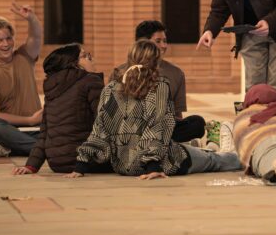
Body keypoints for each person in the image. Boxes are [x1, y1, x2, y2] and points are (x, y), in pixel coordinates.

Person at [69, 40, 242, 179]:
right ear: (155, 63)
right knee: (214, 161)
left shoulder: (111, 89)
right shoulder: (159, 87)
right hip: (166, 162)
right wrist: (153, 166)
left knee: (202, 151)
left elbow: (100, 129)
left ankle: (214, 145)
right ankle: (241, 156)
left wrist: (81, 165)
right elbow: (158, 126)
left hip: (124, 166)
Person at [13, 44, 104, 175]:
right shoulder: (91, 81)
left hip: (58, 163)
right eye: (85, 56)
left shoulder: (52, 88)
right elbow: (103, 123)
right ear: (74, 64)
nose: (91, 59)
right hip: (87, 161)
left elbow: (44, 132)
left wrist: (31, 166)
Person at [117, 21, 205, 144]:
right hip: (130, 132)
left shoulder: (176, 73)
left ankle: (173, 144)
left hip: (163, 130)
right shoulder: (120, 73)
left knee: (197, 123)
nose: (164, 46)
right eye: (158, 41)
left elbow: (177, 115)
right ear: (143, 43)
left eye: (165, 41)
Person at [0, 4, 44, 157]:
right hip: (11, 131)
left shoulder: (24, 56)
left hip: (38, 130)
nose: (6, 44)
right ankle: (44, 149)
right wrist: (29, 120)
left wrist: (31, 19)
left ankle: (11, 148)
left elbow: (36, 37)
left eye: (8, 38)